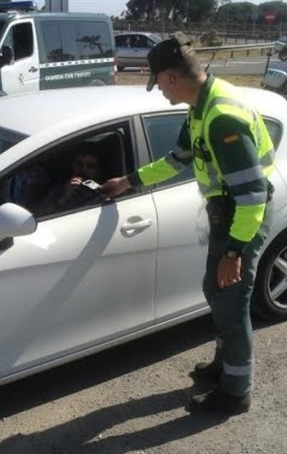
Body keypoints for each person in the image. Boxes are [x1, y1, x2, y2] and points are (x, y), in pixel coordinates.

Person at [101, 32, 275, 415]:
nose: (160, 93)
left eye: (158, 85)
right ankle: (223, 363)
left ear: (171, 79)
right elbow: (177, 159)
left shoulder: (220, 119)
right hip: (227, 213)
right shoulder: (199, 107)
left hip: (241, 218)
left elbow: (252, 196)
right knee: (215, 292)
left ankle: (235, 392)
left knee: (231, 302)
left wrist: (234, 252)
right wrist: (129, 182)